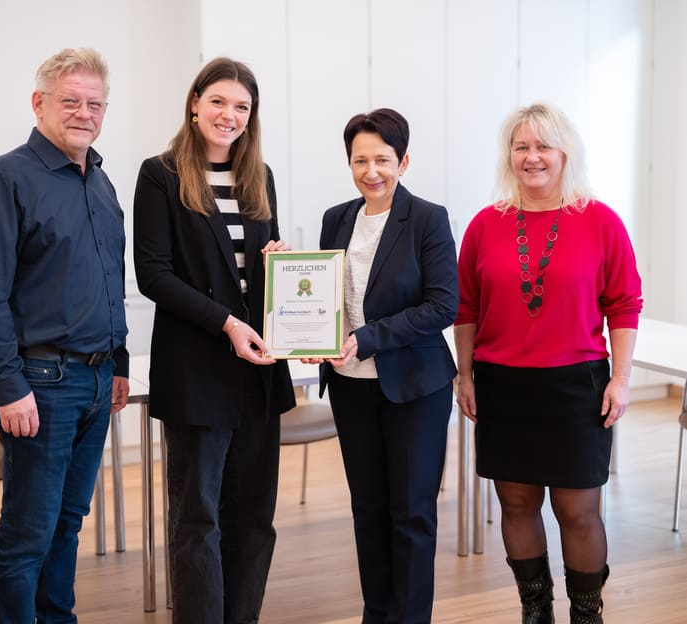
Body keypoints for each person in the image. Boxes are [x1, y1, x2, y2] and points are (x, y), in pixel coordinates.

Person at [0, 48, 129, 623]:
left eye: (94, 103)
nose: (84, 112)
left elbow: (109, 281)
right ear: (40, 104)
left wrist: (120, 360)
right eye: (71, 101)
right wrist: (7, 384)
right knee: (28, 532)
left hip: (98, 381)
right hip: (41, 382)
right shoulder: (5, 178)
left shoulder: (100, 184)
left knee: (68, 523)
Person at [454, 103, 642, 624]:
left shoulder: (600, 221)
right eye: (521, 147)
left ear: (565, 153)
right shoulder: (484, 225)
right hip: (502, 384)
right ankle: (535, 610)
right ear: (509, 156)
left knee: (578, 513)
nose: (532, 157)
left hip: (576, 385)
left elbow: (624, 303)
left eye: (543, 146)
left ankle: (587, 614)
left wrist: (621, 380)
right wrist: (465, 374)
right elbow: (466, 307)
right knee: (516, 506)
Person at [133, 57, 295, 624]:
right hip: (196, 369)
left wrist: (276, 263)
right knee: (197, 517)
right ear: (195, 103)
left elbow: (258, 273)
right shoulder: (161, 175)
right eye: (219, 102)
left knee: (253, 516)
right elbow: (153, 274)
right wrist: (227, 324)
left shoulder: (260, 176)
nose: (230, 115)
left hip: (257, 369)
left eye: (242, 107)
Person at [305, 108, 458, 623]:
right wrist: (312, 335)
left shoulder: (428, 219)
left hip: (415, 387)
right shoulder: (337, 218)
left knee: (411, 514)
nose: (371, 171)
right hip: (351, 386)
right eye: (360, 160)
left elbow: (442, 306)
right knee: (368, 510)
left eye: (383, 160)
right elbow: (328, 298)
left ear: (404, 161)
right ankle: (379, 615)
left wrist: (367, 338)